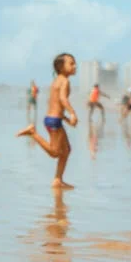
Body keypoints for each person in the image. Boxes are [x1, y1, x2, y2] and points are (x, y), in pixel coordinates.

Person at [17, 53, 78, 189]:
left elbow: (55, 103)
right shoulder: (65, 81)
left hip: (54, 119)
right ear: (61, 67)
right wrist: (73, 113)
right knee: (55, 152)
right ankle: (33, 133)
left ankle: (58, 180)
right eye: (71, 63)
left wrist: (67, 119)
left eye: (74, 63)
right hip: (54, 121)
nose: (75, 66)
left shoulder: (56, 81)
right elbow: (62, 99)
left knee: (66, 150)